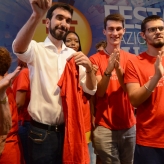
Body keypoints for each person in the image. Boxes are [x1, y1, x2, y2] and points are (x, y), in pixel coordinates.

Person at [12, 0, 97, 164]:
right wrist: (36, 15)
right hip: (40, 134)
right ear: (48, 22)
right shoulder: (37, 50)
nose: (64, 23)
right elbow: (18, 48)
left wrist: (89, 69)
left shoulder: (74, 55)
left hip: (69, 131)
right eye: (59, 18)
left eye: (67, 20)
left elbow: (90, 90)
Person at [90, 13, 136, 164]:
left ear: (124, 31)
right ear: (104, 32)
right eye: (110, 29)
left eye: (118, 29)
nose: (114, 33)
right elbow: (100, 92)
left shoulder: (132, 59)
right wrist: (108, 70)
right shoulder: (94, 59)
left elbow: (132, 93)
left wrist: (120, 71)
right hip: (104, 126)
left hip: (129, 126)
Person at [124, 15, 164, 164]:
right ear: (143, 35)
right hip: (149, 142)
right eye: (152, 29)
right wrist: (156, 78)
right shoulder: (134, 63)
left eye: (161, 28)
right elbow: (134, 99)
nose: (158, 32)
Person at [63, 31, 97, 164]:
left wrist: (89, 70)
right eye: (69, 40)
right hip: (63, 120)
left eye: (76, 41)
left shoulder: (84, 63)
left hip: (82, 118)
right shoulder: (58, 63)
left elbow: (91, 90)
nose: (73, 44)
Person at [12, 59, 31, 164]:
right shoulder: (28, 71)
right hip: (28, 122)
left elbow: (19, 103)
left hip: (24, 121)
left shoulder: (25, 72)